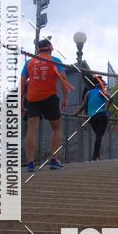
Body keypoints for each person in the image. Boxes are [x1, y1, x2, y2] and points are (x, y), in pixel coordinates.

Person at [20, 39, 74, 172]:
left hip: (32, 98)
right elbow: (64, 80)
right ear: (51, 48)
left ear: (38, 49)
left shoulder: (29, 62)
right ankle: (54, 160)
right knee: (56, 128)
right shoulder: (55, 60)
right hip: (50, 98)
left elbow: (22, 83)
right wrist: (65, 99)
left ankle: (31, 163)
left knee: (32, 129)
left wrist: (20, 102)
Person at [75, 77, 110, 161]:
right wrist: (107, 108)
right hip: (102, 116)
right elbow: (111, 98)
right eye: (103, 85)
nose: (104, 87)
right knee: (99, 137)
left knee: (98, 136)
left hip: (92, 117)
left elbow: (83, 106)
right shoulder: (102, 92)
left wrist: (76, 113)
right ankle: (95, 157)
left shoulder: (89, 93)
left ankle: (96, 156)